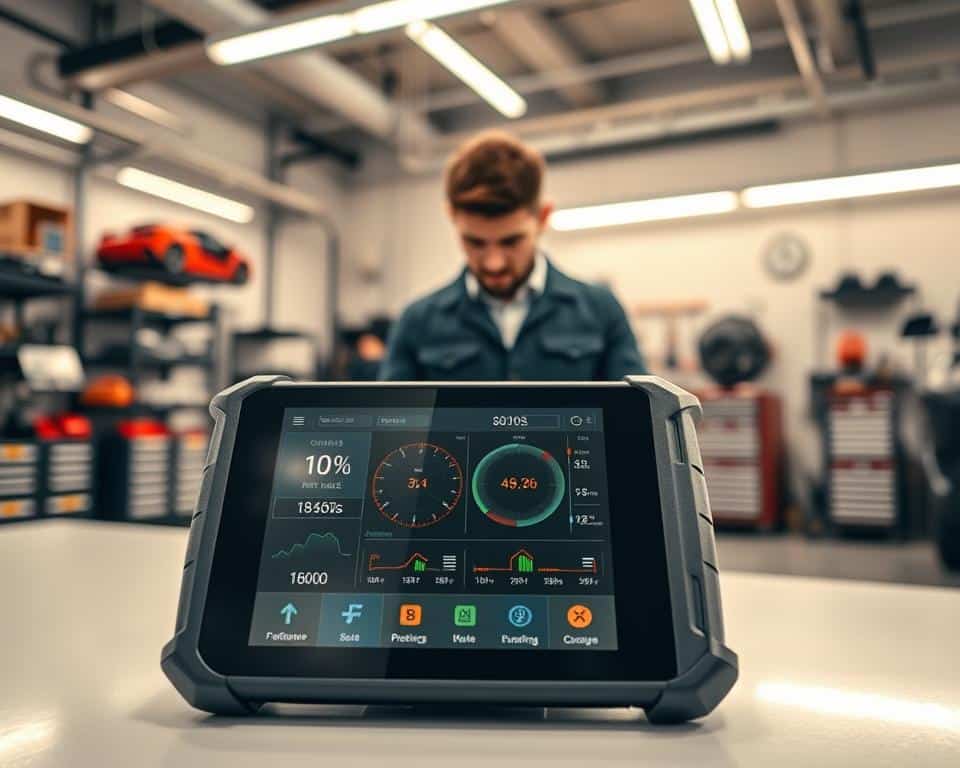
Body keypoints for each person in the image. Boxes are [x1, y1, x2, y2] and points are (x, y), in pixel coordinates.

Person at [379, 130, 645, 381]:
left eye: (511, 241)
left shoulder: (602, 311)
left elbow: (637, 420)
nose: (494, 263)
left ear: (542, 218)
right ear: (452, 217)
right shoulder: (416, 322)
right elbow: (391, 425)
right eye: (475, 242)